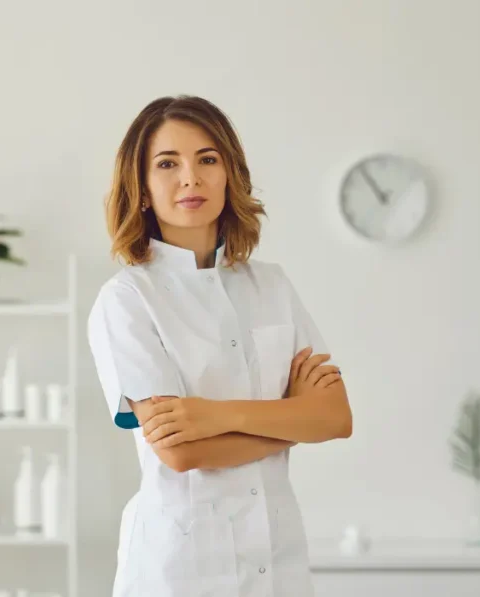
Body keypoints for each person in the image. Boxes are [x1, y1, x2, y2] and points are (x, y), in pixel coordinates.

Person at [87, 95, 353, 597]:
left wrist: (212, 415)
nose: (191, 177)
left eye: (208, 159)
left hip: (278, 560)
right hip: (182, 567)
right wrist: (292, 420)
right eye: (168, 164)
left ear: (230, 175)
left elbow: (337, 418)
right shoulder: (126, 300)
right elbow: (181, 453)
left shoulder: (272, 286)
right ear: (141, 189)